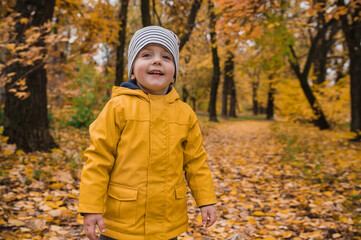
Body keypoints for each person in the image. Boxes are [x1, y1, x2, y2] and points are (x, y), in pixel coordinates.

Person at [78, 26, 217, 240]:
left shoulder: (185, 114)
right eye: (146, 55)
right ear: (133, 70)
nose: (157, 61)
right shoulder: (118, 107)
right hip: (121, 223)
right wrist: (91, 207)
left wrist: (206, 200)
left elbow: (196, 162)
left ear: (174, 76)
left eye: (166, 57)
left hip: (167, 222)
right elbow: (98, 158)